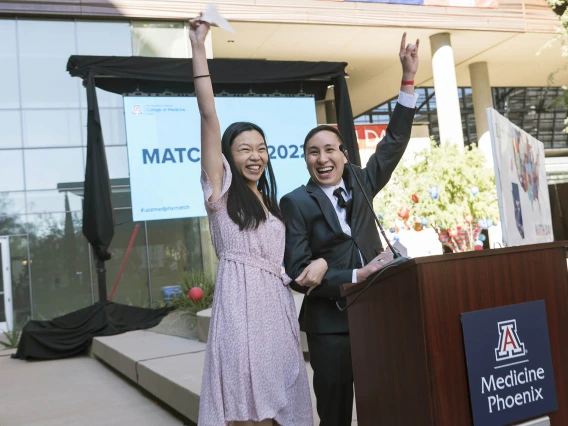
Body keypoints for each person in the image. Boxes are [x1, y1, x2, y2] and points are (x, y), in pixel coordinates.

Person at [189, 16, 327, 426]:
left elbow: (287, 266)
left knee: (280, 407)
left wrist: (314, 268)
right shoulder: (221, 193)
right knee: (244, 408)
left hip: (277, 308)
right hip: (240, 309)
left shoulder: (271, 204)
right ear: (229, 156)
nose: (255, 155)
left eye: (261, 148)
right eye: (244, 148)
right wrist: (199, 46)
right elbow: (209, 116)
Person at [280, 33, 420, 426]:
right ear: (306, 159)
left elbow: (393, 141)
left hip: (380, 314)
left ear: (343, 153)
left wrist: (408, 78)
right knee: (337, 415)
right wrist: (356, 273)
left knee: (385, 403)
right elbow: (296, 273)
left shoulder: (361, 180)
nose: (322, 158)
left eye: (330, 150)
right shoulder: (296, 201)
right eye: (313, 152)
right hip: (331, 326)